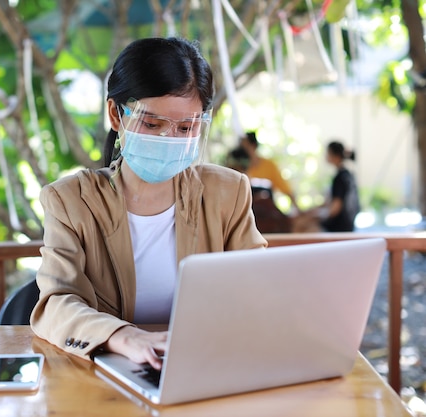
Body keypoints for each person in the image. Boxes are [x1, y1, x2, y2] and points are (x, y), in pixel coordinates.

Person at [30, 37, 267, 371]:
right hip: (106, 371)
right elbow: (56, 301)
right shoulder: (70, 201)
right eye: (152, 124)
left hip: (207, 364)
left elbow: (259, 288)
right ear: (115, 114)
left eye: (187, 127)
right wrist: (122, 336)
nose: (169, 139)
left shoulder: (227, 192)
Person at [293, 140, 361, 232]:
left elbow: (335, 209)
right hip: (347, 224)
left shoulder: (340, 178)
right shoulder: (347, 175)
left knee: (300, 224)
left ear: (335, 156)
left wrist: (314, 217)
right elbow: (329, 202)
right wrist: (311, 211)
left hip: (339, 226)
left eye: (328, 153)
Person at [239, 131, 300, 213]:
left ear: (253, 146)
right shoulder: (238, 167)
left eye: (245, 147)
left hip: (265, 213)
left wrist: (298, 211)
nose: (242, 150)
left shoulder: (269, 165)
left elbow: (286, 190)